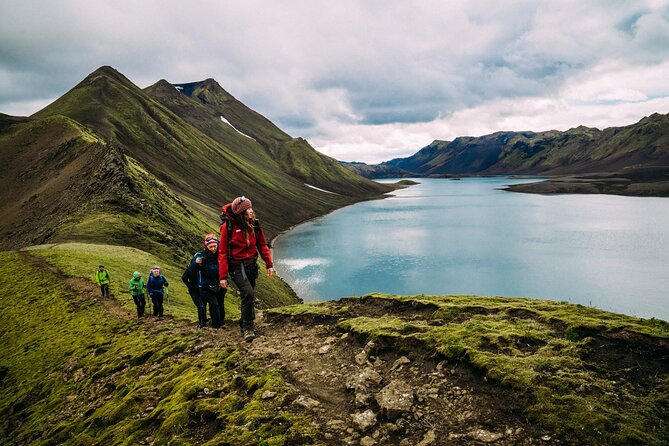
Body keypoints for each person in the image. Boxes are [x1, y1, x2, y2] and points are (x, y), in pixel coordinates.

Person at [219, 196, 275, 342]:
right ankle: (248, 327)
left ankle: (243, 321)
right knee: (248, 293)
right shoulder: (228, 227)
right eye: (247, 209)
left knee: (248, 295)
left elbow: (262, 245)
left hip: (251, 265)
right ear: (241, 213)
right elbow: (223, 252)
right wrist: (223, 276)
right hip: (237, 266)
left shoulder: (254, 224)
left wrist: (269, 264)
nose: (251, 211)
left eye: (251, 208)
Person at [186, 234, 226, 329]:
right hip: (205, 286)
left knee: (220, 305)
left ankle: (221, 322)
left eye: (214, 246)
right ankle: (216, 326)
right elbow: (190, 271)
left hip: (219, 284)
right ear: (206, 246)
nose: (213, 249)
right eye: (210, 246)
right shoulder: (200, 256)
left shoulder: (221, 255)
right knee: (214, 304)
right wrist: (196, 264)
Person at [182, 262, 207, 328]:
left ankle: (204, 322)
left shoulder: (203, 267)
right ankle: (202, 324)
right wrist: (190, 286)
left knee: (204, 305)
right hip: (194, 290)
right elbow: (184, 278)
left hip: (203, 289)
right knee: (200, 305)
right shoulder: (190, 269)